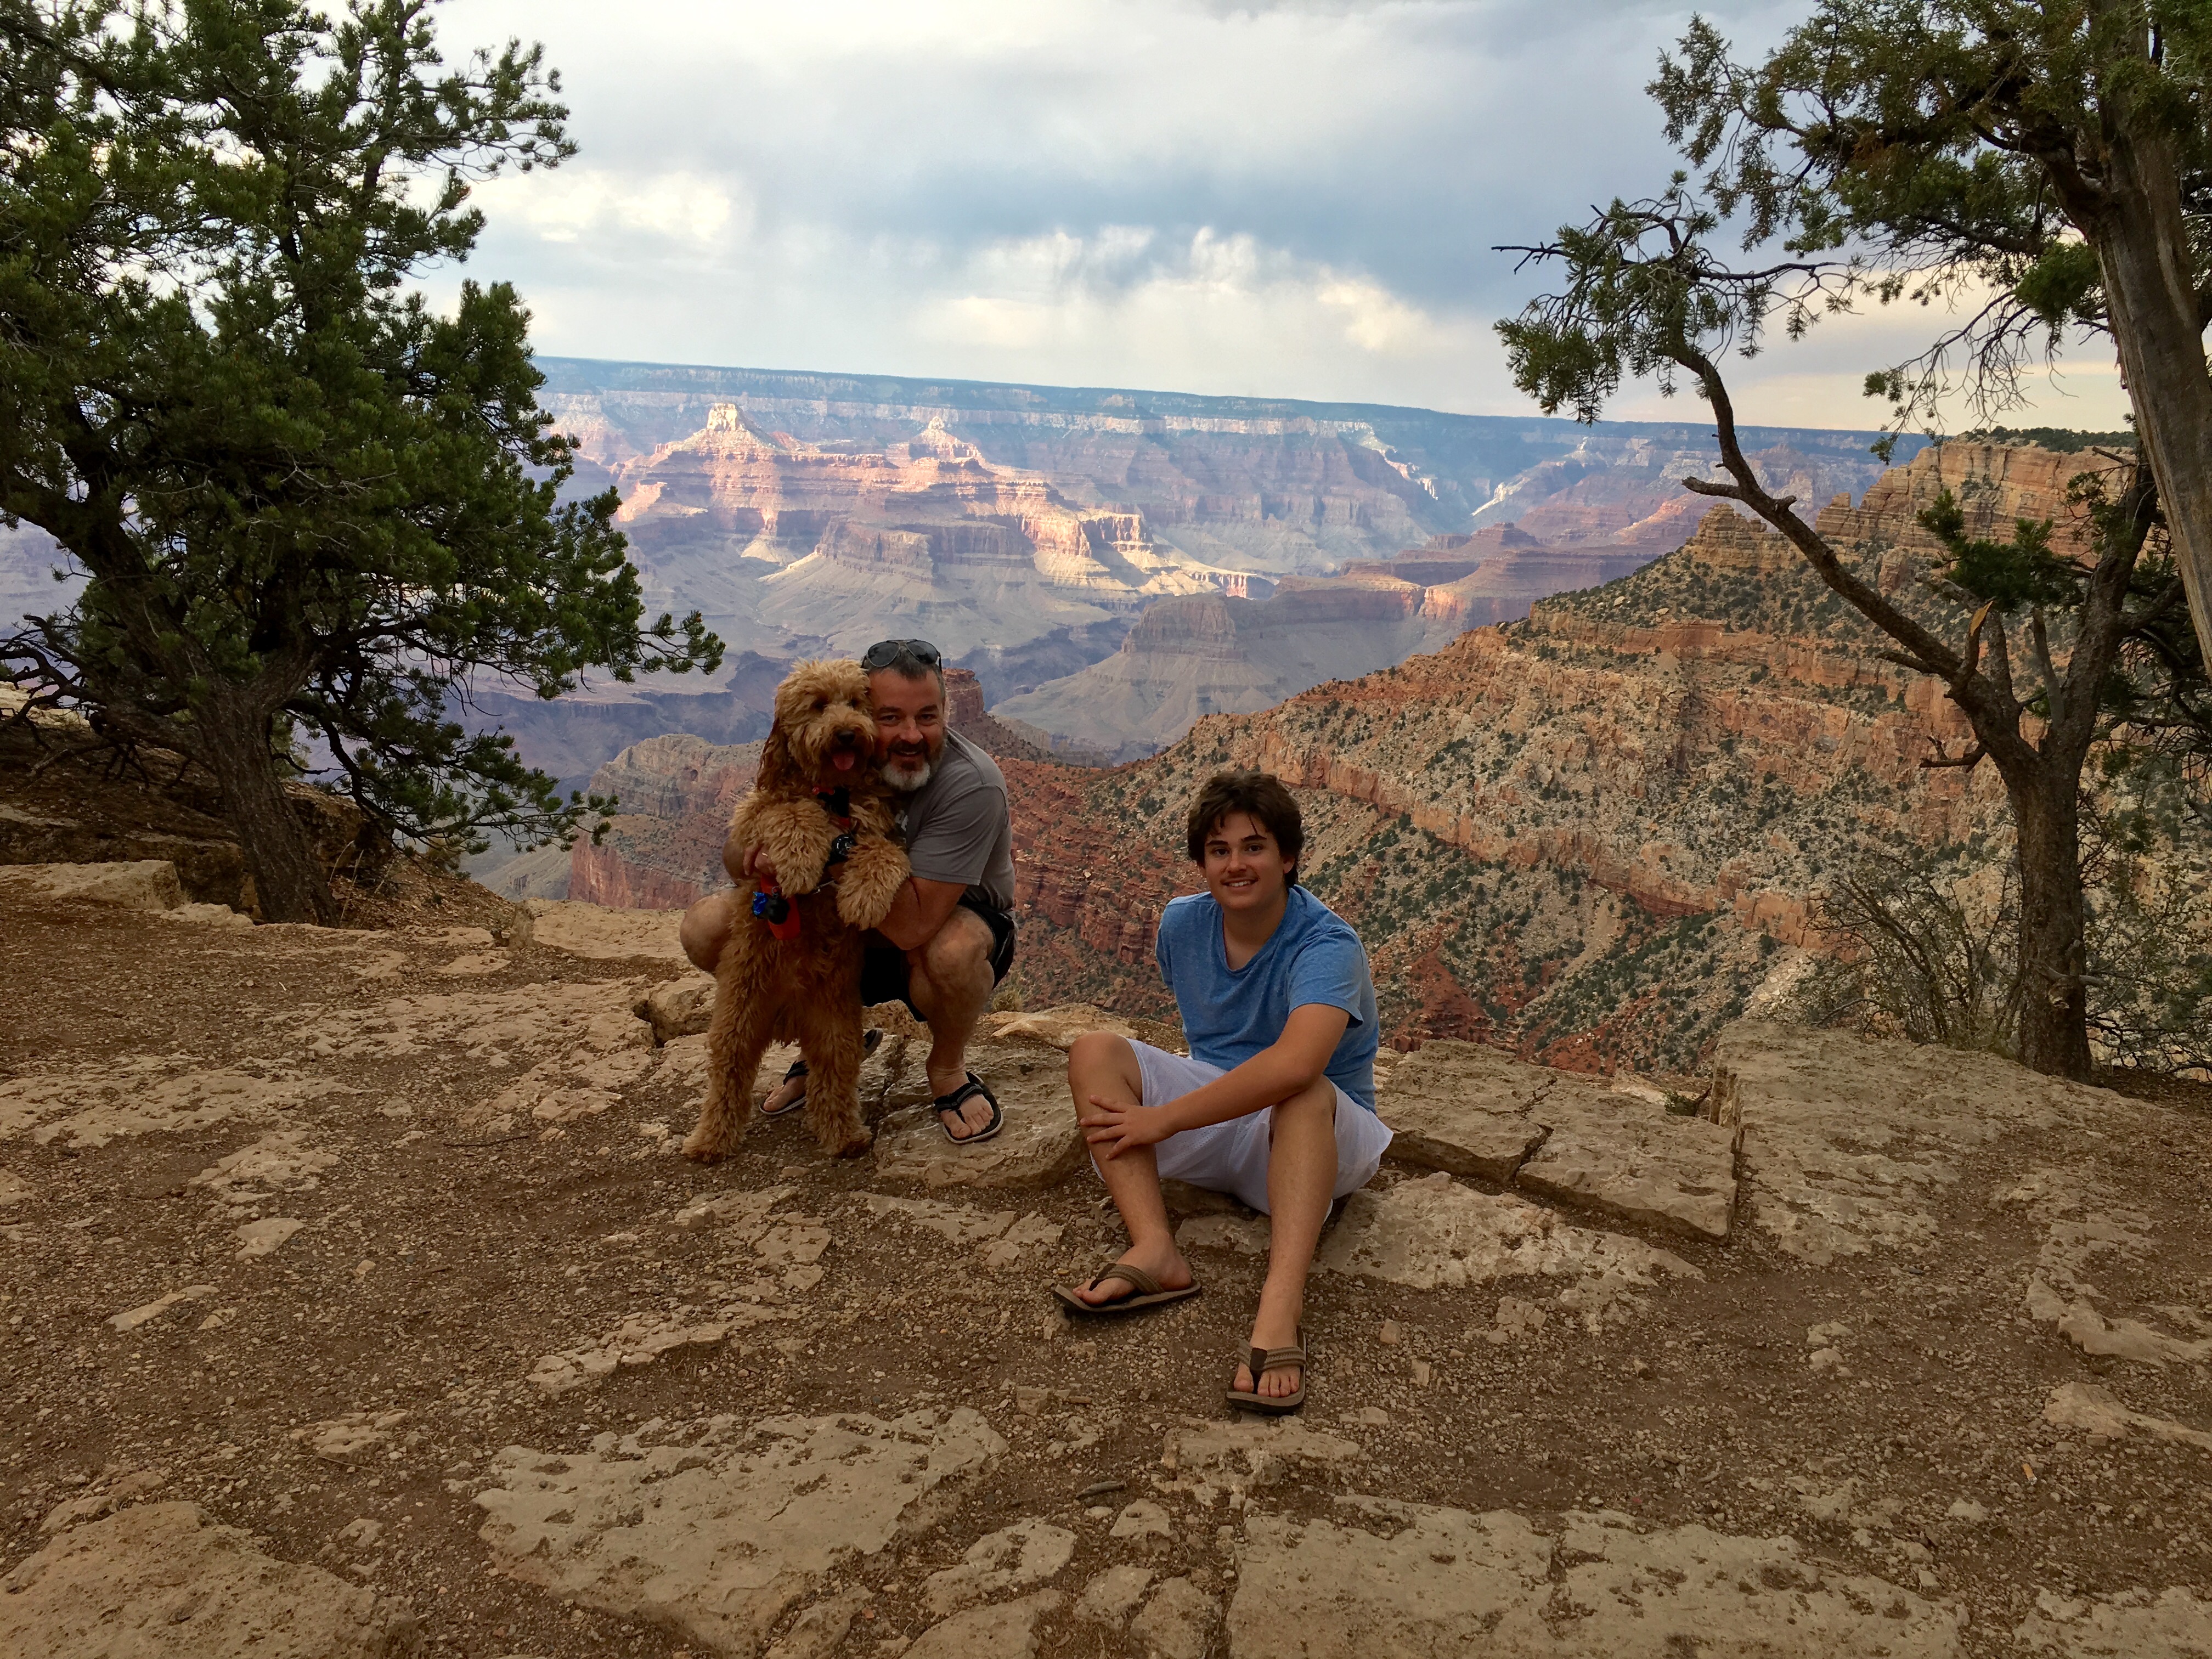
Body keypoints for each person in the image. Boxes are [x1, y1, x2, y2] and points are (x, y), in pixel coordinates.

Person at [1055, 769, 1390, 1414]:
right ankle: (1155, 1248)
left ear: (1288, 858)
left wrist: (1165, 1120)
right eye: (1219, 850)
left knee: (1302, 1091)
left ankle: (1279, 1310)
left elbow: (1296, 1065)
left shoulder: (1328, 945)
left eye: (1254, 847)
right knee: (1094, 1051)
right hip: (1220, 1119)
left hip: (1316, 1138)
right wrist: (1180, 1115)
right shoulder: (1182, 925)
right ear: (1202, 863)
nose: (1236, 865)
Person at [679, 638, 1016, 1143]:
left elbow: (911, 926)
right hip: (842, 932)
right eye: (889, 717)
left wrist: (833, 852)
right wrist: (764, 849)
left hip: (932, 927)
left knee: (952, 952)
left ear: (947, 712)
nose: (910, 734)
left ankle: (947, 1069)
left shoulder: (971, 783)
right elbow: (738, 858)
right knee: (707, 926)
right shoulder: (833, 764)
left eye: (927, 717)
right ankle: (814, 1049)